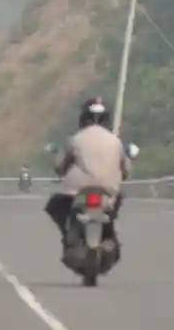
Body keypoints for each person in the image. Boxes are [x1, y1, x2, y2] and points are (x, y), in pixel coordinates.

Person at [43, 97, 132, 257]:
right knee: (115, 206)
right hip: (108, 191)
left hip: (79, 190)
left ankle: (68, 234)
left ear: (83, 118)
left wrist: (61, 168)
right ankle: (110, 234)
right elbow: (126, 169)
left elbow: (60, 166)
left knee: (56, 205)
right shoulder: (115, 142)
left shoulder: (75, 139)